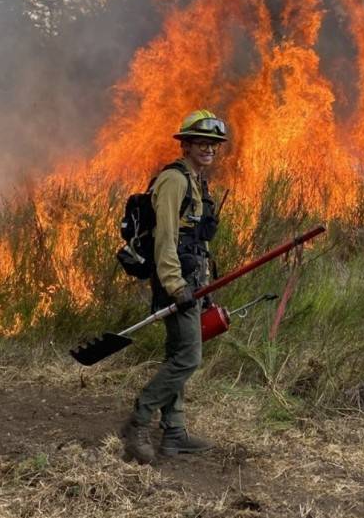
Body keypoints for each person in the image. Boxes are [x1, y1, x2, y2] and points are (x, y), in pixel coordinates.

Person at [121, 109, 227, 464]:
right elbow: (165, 238)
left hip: (193, 279)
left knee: (178, 352)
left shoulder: (198, 183)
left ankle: (175, 433)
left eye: (213, 143)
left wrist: (204, 283)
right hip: (176, 281)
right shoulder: (174, 181)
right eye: (201, 141)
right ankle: (138, 420)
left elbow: (195, 239)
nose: (208, 148)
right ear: (185, 145)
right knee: (188, 357)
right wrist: (174, 283)